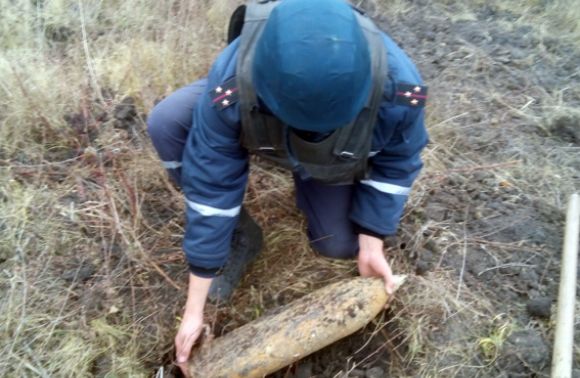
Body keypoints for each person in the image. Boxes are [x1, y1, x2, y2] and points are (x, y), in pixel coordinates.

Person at [146, 0, 429, 369]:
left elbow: (397, 162)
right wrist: (194, 307)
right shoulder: (234, 80)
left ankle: (314, 178)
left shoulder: (398, 86)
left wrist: (373, 238)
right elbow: (212, 183)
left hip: (330, 159)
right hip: (264, 117)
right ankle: (242, 236)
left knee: (340, 245)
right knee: (168, 121)